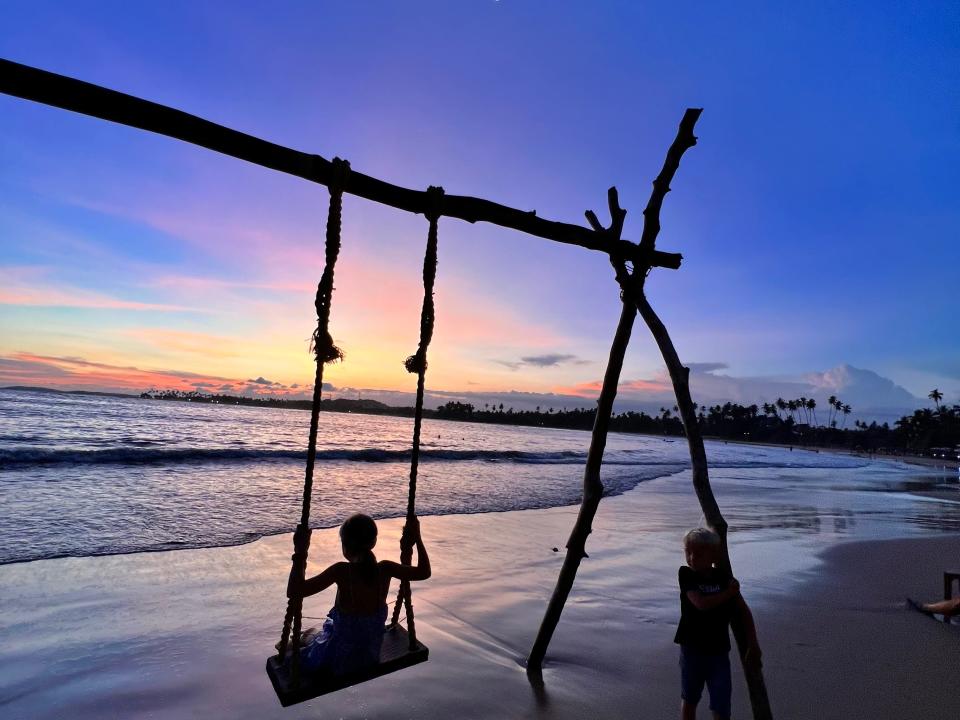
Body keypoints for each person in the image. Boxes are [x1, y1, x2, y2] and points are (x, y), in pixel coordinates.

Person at [286, 513, 431, 675]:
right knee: (316, 634)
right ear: (374, 542)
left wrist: (300, 552)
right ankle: (303, 638)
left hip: (340, 661)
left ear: (345, 546)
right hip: (369, 658)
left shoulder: (341, 571)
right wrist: (417, 537)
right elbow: (424, 572)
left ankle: (300, 639)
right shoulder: (385, 569)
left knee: (308, 640)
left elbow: (294, 591)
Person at [674, 528, 762, 720]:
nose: (691, 557)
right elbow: (701, 604)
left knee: (721, 703)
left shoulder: (723, 578)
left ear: (713, 555)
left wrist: (753, 643)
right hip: (692, 649)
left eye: (697, 553)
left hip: (718, 651)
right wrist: (728, 593)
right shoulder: (687, 575)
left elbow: (744, 612)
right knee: (689, 698)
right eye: (687, 552)